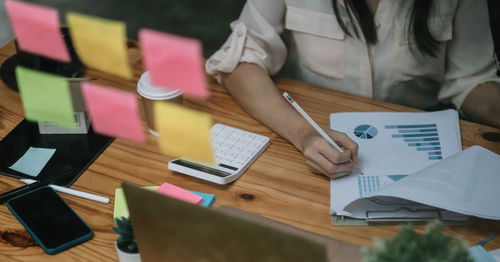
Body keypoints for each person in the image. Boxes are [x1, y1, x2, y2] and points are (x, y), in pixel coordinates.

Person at [205, 0, 500, 179]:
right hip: (314, 140)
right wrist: (302, 132)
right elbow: (238, 63)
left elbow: (472, 81)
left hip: (421, 147)